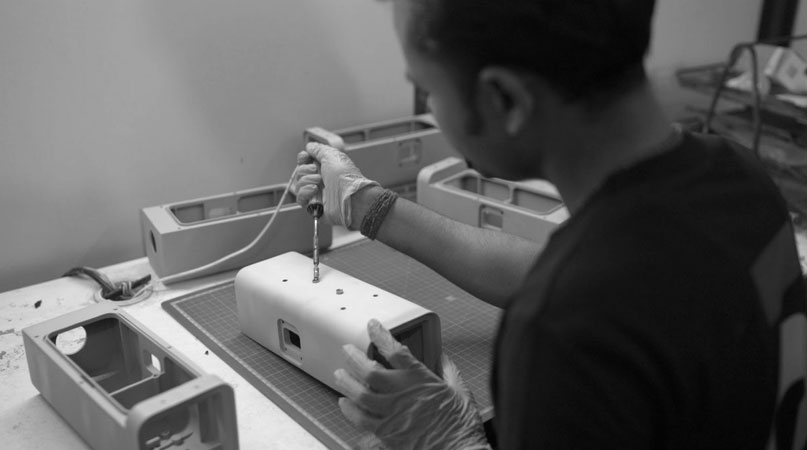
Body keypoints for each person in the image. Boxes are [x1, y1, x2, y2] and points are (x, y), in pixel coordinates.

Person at [292, 0, 807, 449]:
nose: (432, 110)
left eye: (428, 90)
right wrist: (367, 205)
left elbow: (586, 298)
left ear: (505, 101)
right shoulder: (738, 177)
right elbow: (596, 281)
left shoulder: (561, 334)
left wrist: (452, 439)